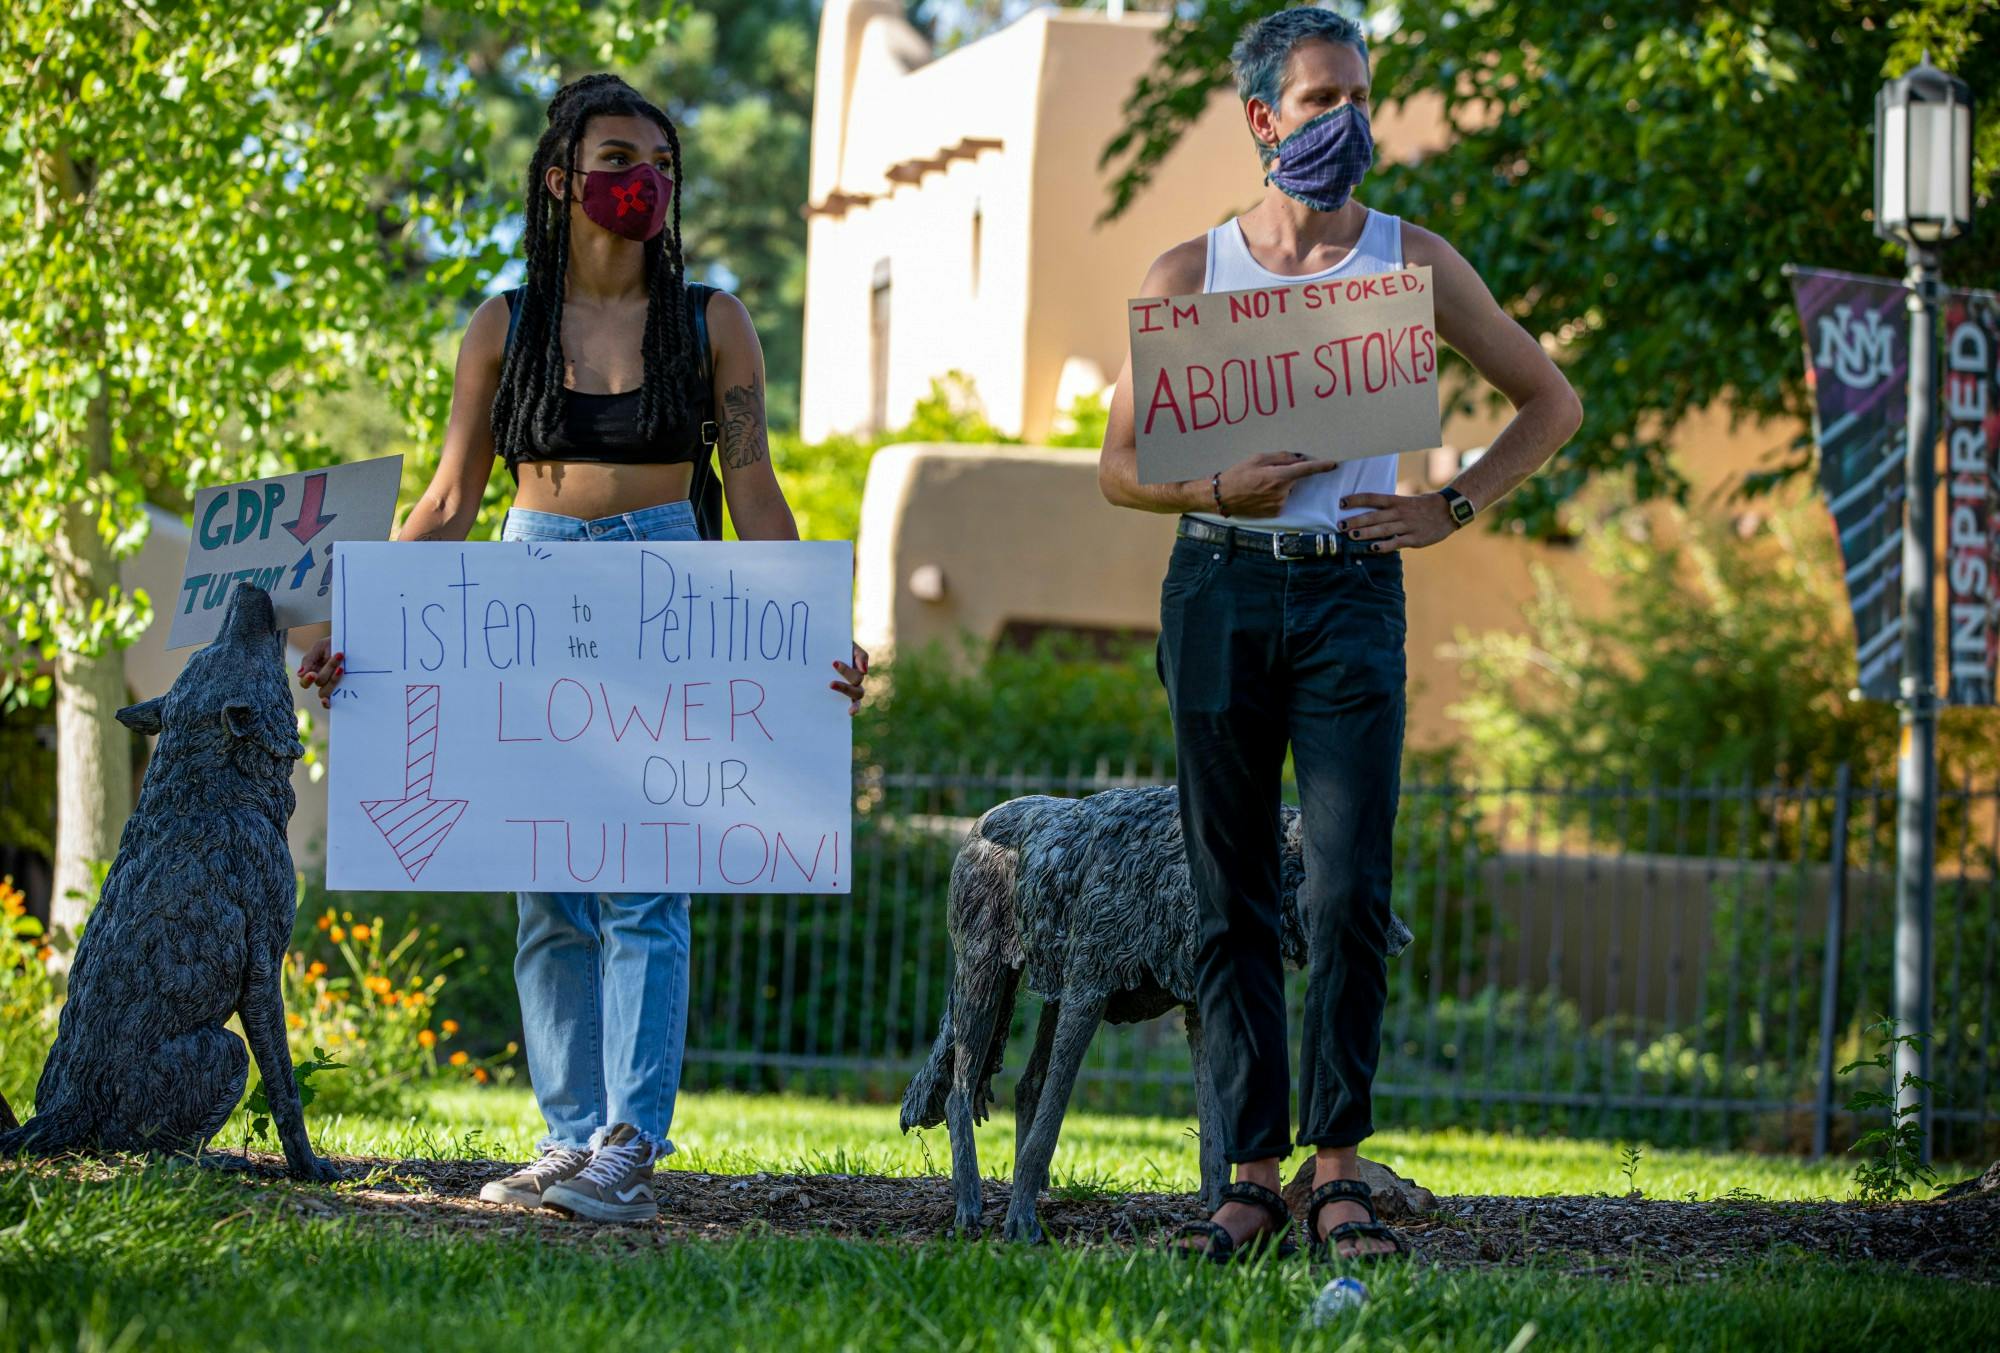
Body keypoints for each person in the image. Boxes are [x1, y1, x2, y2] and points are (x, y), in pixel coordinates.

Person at [294, 73, 868, 1225]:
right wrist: (353, 619)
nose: (638, 180)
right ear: (560, 178)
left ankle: (628, 1144)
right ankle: (564, 1138)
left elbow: (751, 483)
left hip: (667, 577)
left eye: (655, 160)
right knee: (547, 886)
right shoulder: (500, 325)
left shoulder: (713, 322)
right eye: (614, 158)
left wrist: (813, 627)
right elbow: (453, 497)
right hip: (528, 573)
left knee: (647, 885)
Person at [1098, 8, 1581, 1263]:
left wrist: (1450, 503)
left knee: (1351, 884)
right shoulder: (1186, 275)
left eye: (1359, 96)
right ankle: (1247, 1177)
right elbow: (1116, 468)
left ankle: (1338, 1174)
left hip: (1351, 595)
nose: (1347, 121)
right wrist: (1217, 490)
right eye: (1319, 102)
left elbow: (1550, 399)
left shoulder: (1409, 260)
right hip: (1216, 586)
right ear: (1261, 121)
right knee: (1229, 891)